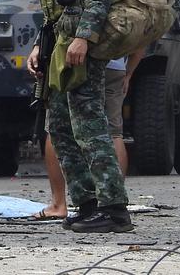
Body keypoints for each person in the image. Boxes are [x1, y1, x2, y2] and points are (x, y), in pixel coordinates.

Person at [28, 0, 134, 234]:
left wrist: (84, 38)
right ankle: (86, 202)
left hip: (81, 41)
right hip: (62, 36)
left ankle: (114, 208)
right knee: (60, 124)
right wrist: (44, 44)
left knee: (89, 125)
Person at [38, 52, 143, 222]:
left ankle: (62, 203)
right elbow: (143, 36)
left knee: (59, 128)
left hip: (74, 63)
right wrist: (129, 71)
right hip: (113, 66)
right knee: (113, 133)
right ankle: (109, 202)